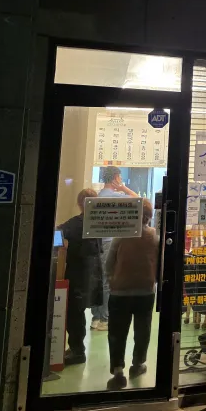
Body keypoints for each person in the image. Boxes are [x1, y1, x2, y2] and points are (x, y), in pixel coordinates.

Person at [105, 199, 161, 390]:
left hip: (119, 292)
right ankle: (137, 365)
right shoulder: (154, 236)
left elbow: (109, 263)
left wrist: (112, 279)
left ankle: (118, 371)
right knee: (142, 330)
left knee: (117, 332)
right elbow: (159, 264)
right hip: (145, 291)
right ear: (149, 216)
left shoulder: (121, 235)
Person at [58, 189, 103, 365]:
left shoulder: (77, 223)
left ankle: (77, 351)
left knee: (74, 313)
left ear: (79, 203)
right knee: (79, 311)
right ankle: (77, 349)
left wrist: (59, 246)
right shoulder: (99, 222)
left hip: (78, 273)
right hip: (94, 273)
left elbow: (57, 233)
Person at [92, 166, 140, 332]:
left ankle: (96, 317)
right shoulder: (115, 196)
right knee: (107, 280)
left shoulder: (99, 195)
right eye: (119, 177)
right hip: (108, 242)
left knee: (98, 278)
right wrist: (124, 188)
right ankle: (105, 319)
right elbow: (137, 200)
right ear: (115, 178)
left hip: (97, 241)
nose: (121, 179)